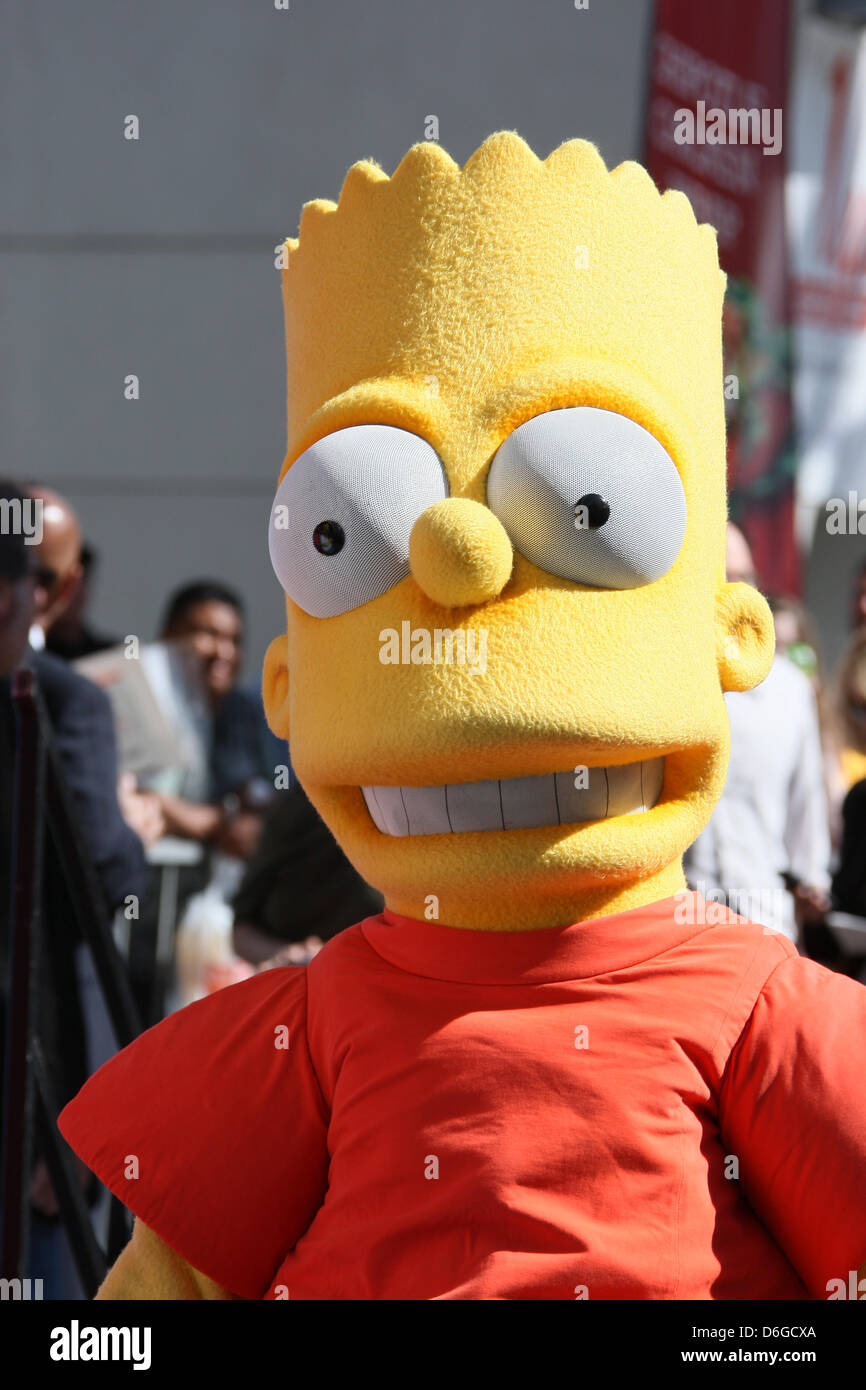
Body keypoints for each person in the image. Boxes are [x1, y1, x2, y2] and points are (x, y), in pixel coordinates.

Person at [684, 525, 832, 943]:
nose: (734, 594)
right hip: (677, 929)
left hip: (766, 926)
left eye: (744, 579)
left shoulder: (789, 689)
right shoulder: (661, 686)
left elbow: (807, 805)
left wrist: (811, 880)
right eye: (721, 578)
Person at [151, 581, 279, 861]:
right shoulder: (144, 697)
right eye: (210, 634)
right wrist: (219, 823)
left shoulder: (241, 709)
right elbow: (144, 800)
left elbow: (251, 793)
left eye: (235, 640)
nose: (225, 652)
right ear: (168, 636)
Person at [232, 775, 383, 970]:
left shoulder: (422, 813)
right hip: (299, 985)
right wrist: (287, 954)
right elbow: (241, 931)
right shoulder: (299, 807)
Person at [44, 542, 119, 662]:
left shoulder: (110, 655)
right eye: (63, 584)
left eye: (79, 585)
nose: (70, 596)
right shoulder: (23, 653)